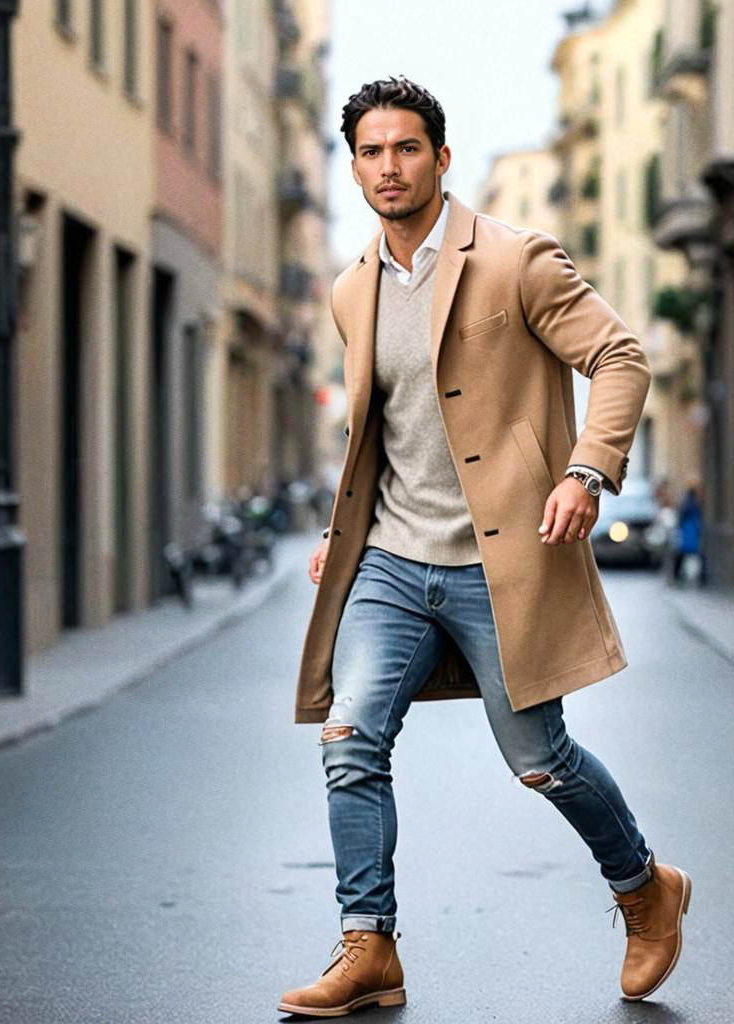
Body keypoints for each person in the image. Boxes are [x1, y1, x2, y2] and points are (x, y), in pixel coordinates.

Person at [279, 77, 691, 1018]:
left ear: (440, 157)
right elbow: (378, 435)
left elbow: (620, 357)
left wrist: (586, 471)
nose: (390, 166)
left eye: (407, 148)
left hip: (499, 562)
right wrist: (341, 542)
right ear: (354, 167)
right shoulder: (352, 292)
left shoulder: (514, 261)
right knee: (350, 737)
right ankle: (368, 944)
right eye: (372, 152)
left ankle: (644, 888)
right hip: (388, 560)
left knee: (539, 757)